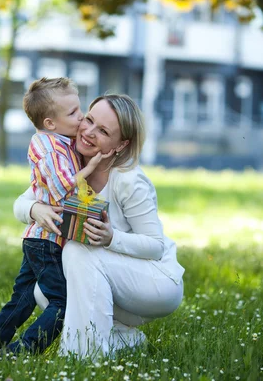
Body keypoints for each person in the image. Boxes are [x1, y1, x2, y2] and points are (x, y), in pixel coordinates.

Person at [13, 94, 185, 358]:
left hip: (156, 283)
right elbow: (22, 203)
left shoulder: (128, 181)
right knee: (45, 290)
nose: (89, 132)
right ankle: (123, 340)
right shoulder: (70, 163)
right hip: (113, 276)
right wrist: (36, 209)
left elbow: (156, 246)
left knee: (76, 250)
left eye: (103, 131)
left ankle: (83, 356)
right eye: (89, 120)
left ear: (121, 144)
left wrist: (111, 237)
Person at [0, 77, 110, 354]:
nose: (81, 116)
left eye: (79, 108)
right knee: (61, 301)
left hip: (43, 239)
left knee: (23, 298)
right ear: (50, 123)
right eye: (73, 113)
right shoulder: (47, 146)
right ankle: (24, 350)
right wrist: (92, 166)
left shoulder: (62, 141)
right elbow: (62, 185)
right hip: (45, 242)